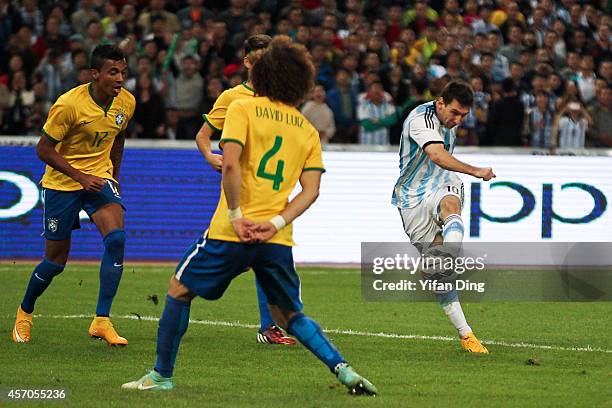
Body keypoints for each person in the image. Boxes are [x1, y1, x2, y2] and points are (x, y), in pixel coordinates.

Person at [122, 36, 377, 395]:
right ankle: (345, 370)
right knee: (290, 316)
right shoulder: (306, 129)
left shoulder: (243, 108)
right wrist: (275, 223)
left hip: (232, 230)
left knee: (179, 289)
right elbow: (311, 191)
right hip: (276, 237)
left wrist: (239, 216)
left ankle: (162, 376)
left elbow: (229, 167)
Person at [12, 45, 135, 345]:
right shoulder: (69, 105)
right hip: (62, 185)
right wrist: (80, 176)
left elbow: (118, 139)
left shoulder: (126, 103)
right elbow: (43, 148)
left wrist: (113, 178)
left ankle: (101, 321)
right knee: (55, 262)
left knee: (117, 239)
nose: (120, 78)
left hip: (99, 179)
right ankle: (24, 312)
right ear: (95, 74)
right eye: (112, 72)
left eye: (123, 72)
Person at [194, 34, 295, 345]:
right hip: (240, 191)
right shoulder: (232, 97)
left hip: (271, 192)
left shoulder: (280, 97)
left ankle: (271, 327)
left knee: (274, 261)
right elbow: (203, 135)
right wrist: (211, 155)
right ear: (248, 62)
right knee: (227, 260)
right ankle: (180, 293)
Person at [392, 80, 495, 353]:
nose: (458, 120)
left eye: (463, 116)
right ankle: (465, 333)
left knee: (451, 205)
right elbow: (437, 155)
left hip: (441, 183)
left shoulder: (450, 118)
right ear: (440, 103)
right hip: (411, 197)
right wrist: (475, 171)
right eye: (455, 113)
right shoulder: (419, 119)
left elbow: (441, 165)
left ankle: (450, 255)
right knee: (439, 276)